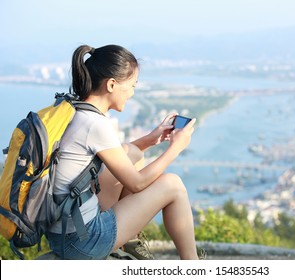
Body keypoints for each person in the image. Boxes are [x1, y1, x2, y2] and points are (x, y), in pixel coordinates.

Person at [45, 44, 200, 260]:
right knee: (173, 185)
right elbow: (136, 183)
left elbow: (120, 155)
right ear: (111, 84)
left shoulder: (74, 110)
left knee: (132, 153)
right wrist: (176, 148)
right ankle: (193, 266)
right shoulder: (96, 124)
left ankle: (128, 240)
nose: (133, 92)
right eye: (132, 85)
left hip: (61, 233)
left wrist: (151, 139)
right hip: (83, 241)